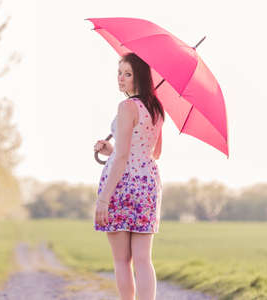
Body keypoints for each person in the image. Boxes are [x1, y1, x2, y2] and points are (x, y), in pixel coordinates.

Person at [93, 52, 165, 300]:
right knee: (144, 260)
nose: (120, 79)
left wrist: (103, 199)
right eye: (119, 73)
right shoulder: (155, 109)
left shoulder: (126, 107)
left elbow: (123, 158)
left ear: (140, 78)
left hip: (122, 187)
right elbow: (153, 152)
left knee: (122, 261)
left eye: (127, 74)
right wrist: (110, 150)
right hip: (147, 186)